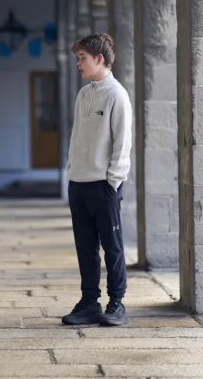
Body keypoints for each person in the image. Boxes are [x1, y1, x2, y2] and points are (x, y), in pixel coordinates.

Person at [61, 33, 132, 327]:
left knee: (112, 246)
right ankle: (89, 302)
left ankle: (117, 303)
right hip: (78, 183)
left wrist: (113, 181)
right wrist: (72, 170)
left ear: (99, 59)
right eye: (78, 57)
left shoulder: (116, 94)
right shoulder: (83, 94)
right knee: (85, 247)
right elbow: (78, 138)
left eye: (82, 58)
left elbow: (122, 141)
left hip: (104, 185)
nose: (78, 63)